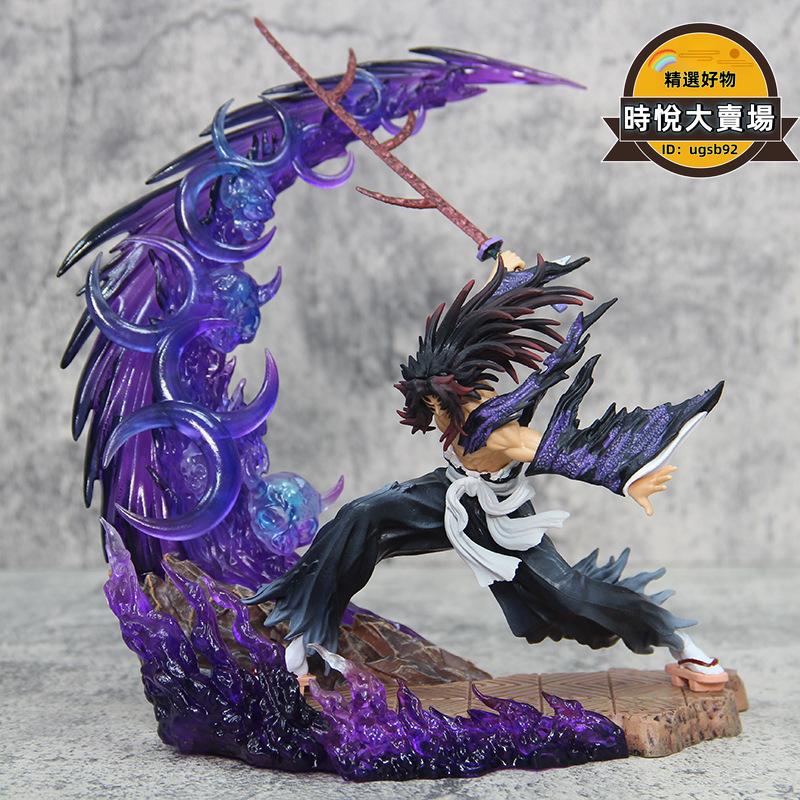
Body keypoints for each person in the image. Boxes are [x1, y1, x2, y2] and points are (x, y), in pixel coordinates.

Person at [245, 251, 727, 688]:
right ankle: (309, 632)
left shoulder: (495, 431)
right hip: (450, 494)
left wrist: (625, 476)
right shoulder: (448, 395)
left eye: (437, 404)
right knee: (361, 516)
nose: (434, 415)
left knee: (570, 597)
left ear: (453, 393)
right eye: (428, 404)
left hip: (501, 518)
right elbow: (477, 320)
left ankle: (679, 641)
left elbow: (556, 451)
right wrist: (504, 270)